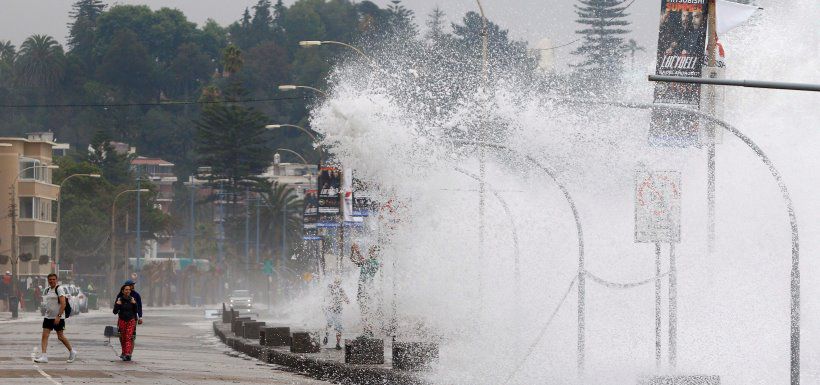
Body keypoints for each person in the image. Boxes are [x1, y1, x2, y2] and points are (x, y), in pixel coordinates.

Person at [33, 273, 77, 363]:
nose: (52, 281)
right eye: (50, 279)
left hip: (58, 318)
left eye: (53, 279)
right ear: (48, 281)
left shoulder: (59, 289)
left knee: (60, 337)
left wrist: (59, 316)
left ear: (56, 280)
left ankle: (72, 351)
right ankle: (44, 356)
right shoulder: (48, 290)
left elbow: (63, 303)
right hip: (48, 317)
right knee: (44, 336)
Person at [350, 243, 381, 337]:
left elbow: (363, 260)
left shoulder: (375, 262)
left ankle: (369, 331)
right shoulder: (367, 261)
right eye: (371, 251)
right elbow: (353, 260)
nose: (372, 252)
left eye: (374, 251)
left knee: (366, 309)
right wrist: (352, 251)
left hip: (367, 288)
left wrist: (357, 251)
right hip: (362, 287)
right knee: (363, 309)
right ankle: (367, 331)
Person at [113, 284, 139, 361]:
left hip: (131, 320)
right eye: (126, 290)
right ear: (123, 291)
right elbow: (114, 312)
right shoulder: (119, 299)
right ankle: (124, 353)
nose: (128, 291)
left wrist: (134, 303)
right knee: (123, 337)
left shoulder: (132, 299)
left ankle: (128, 354)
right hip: (122, 320)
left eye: (129, 290)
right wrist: (117, 305)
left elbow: (136, 311)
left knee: (128, 337)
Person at [323, 277, 349, 350]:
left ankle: (329, 338)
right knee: (336, 327)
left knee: (332, 325)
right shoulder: (333, 288)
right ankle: (334, 341)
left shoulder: (336, 288)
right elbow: (346, 300)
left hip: (334, 310)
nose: (337, 283)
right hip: (334, 310)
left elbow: (346, 299)